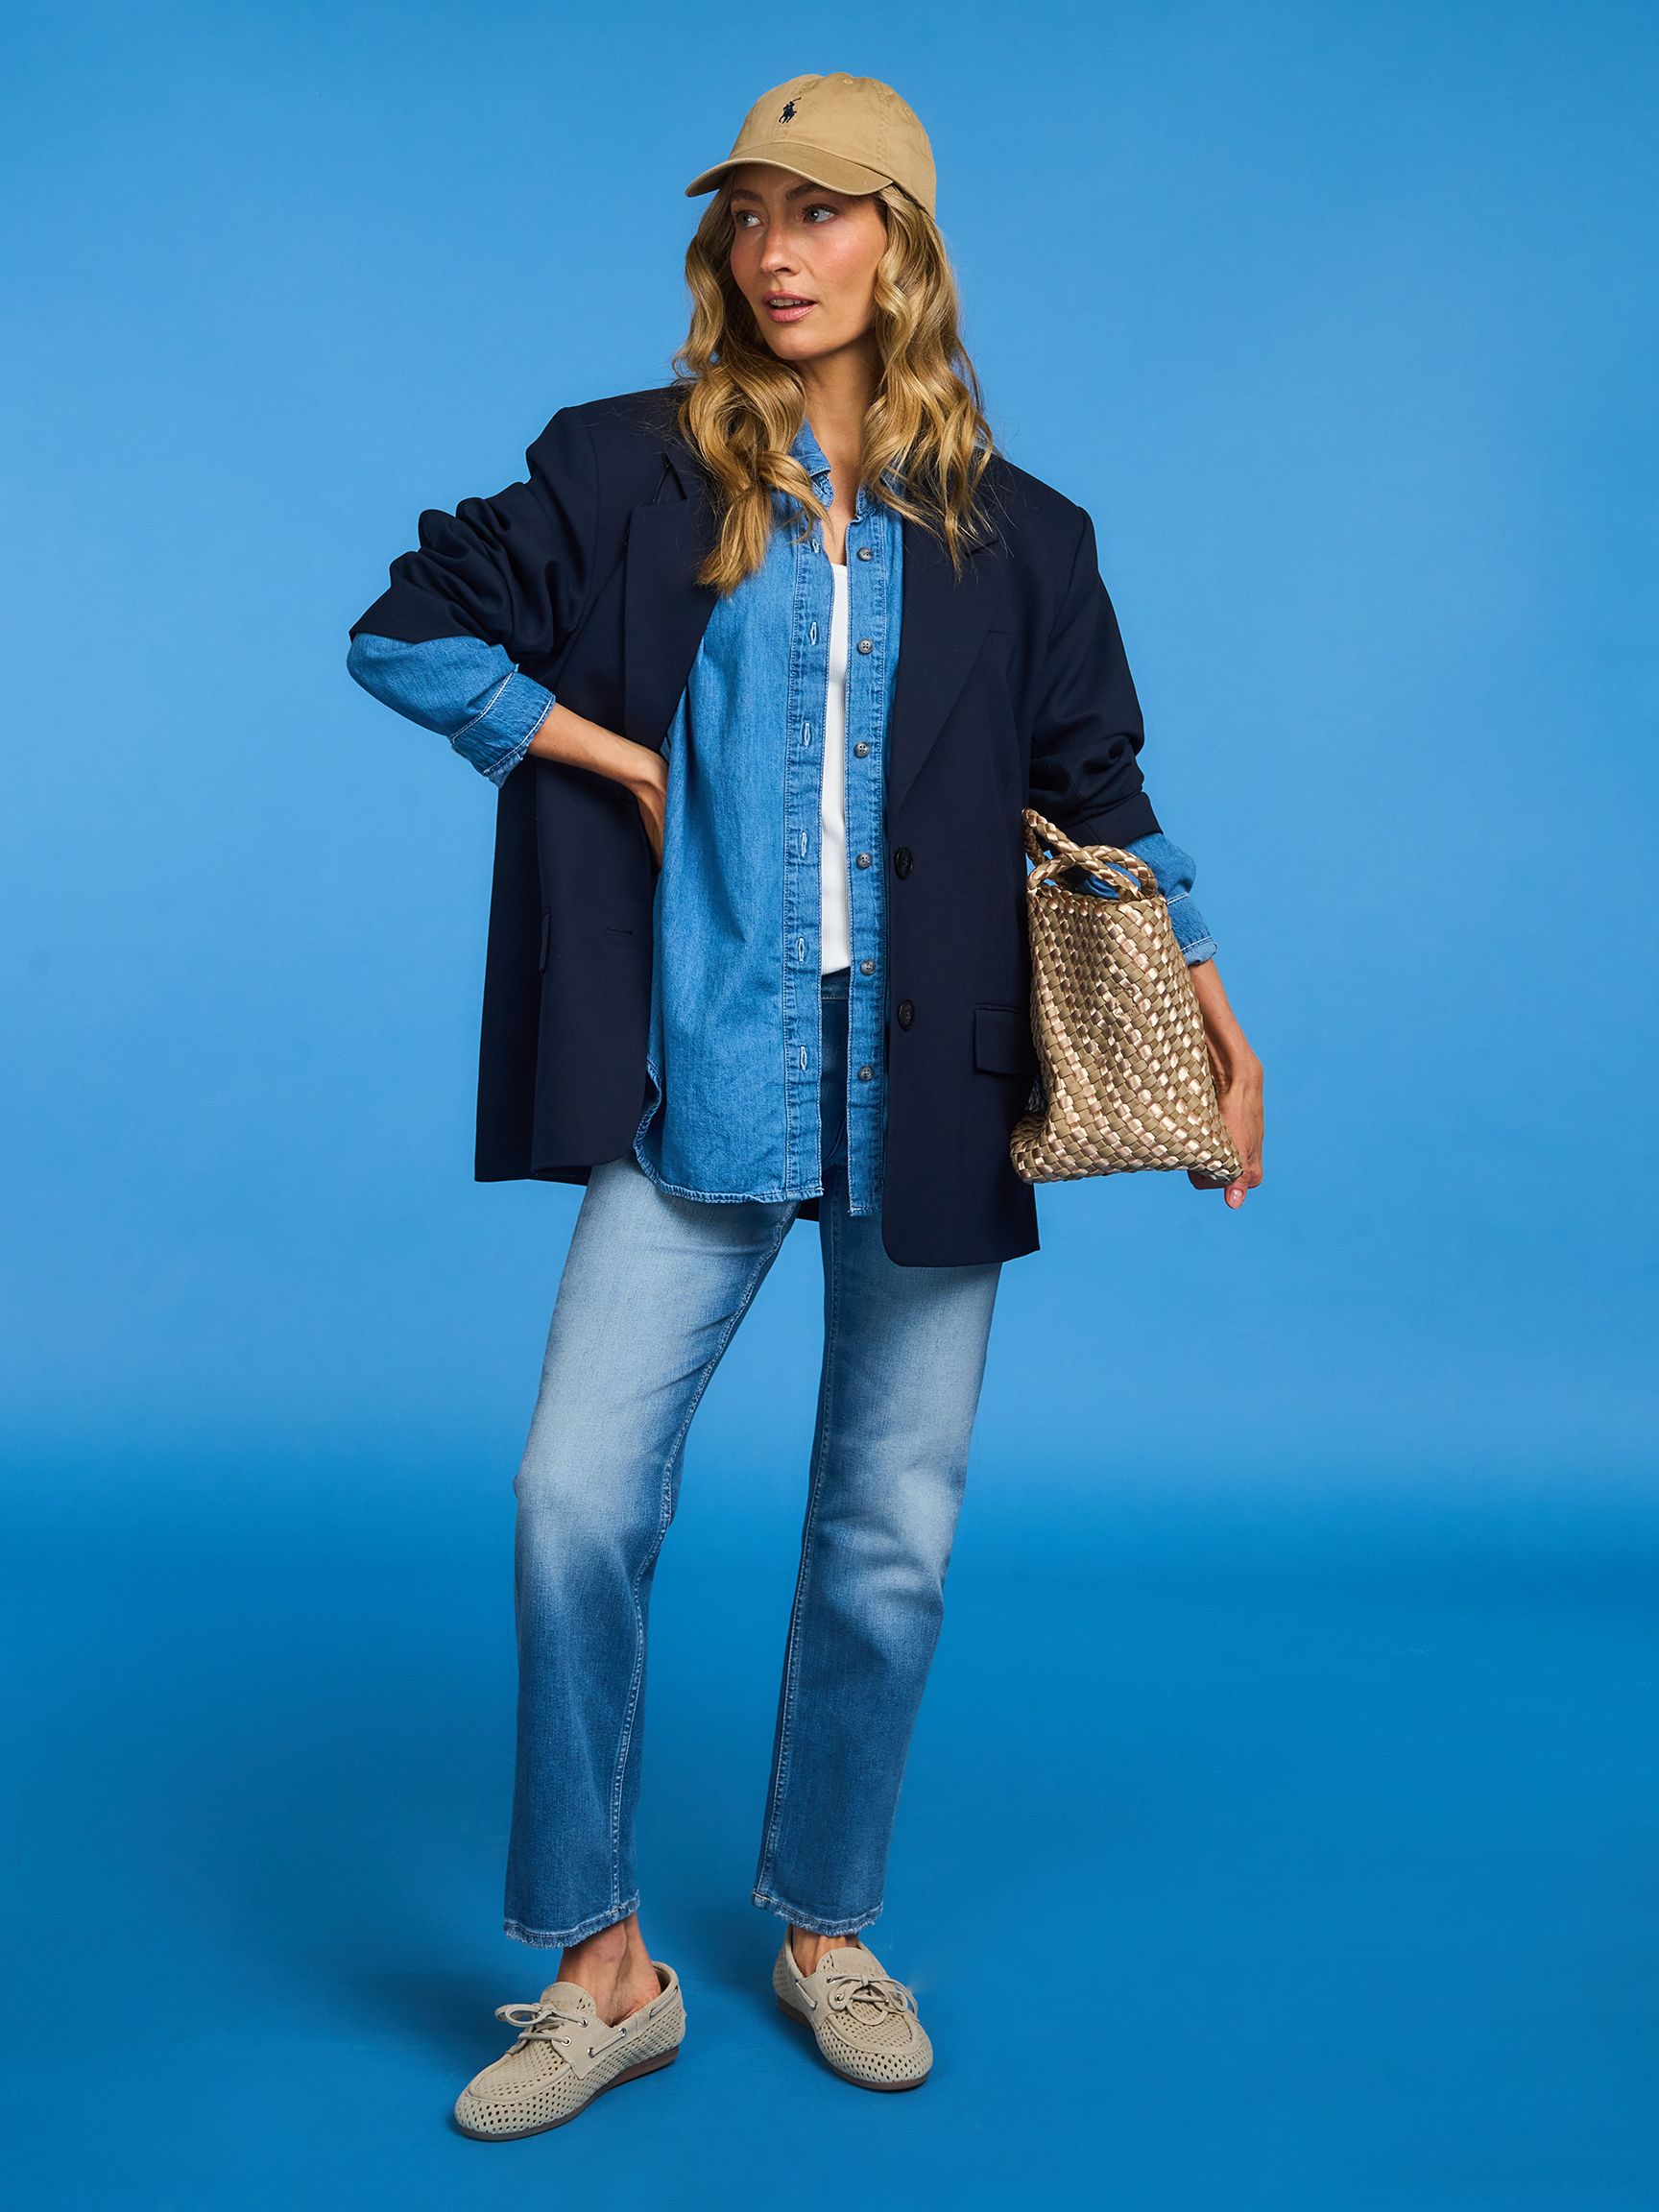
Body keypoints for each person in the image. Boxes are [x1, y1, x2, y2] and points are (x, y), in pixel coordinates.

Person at [346, 70, 1265, 2137]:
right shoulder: (622, 471)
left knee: (888, 1545)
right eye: (753, 214)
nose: (781, 250)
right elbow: (405, 628)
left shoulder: (1027, 538)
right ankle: (603, 1965)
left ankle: (830, 1924)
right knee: (574, 1496)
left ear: (903, 249)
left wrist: (1207, 1003)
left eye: (826, 214)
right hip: (702, 1083)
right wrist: (596, 747)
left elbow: (1094, 785)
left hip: (929, 1089)